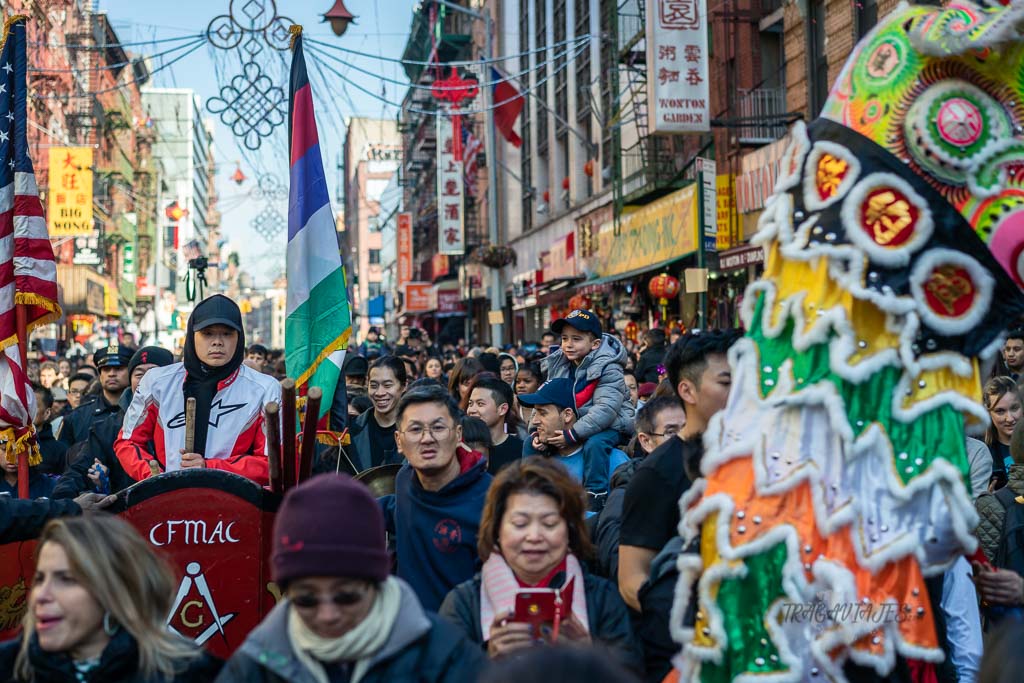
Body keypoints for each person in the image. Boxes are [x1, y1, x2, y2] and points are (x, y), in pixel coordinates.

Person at [216, 475, 485, 683]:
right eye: (307, 599)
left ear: (376, 584)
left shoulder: (444, 655)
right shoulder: (255, 666)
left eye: (346, 596)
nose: (328, 615)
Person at [439, 457, 641, 670]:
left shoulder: (603, 599)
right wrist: (487, 661)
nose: (534, 536)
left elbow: (632, 673)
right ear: (497, 529)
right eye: (520, 524)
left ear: (570, 530)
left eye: (549, 523)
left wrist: (589, 656)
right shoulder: (463, 604)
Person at [0, 515, 219, 682]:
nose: (41, 596)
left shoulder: (186, 672)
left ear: (116, 589)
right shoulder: (9, 667)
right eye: (39, 579)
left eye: (66, 579)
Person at [618, 329, 740, 611]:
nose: (743, 392)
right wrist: (688, 622)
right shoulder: (656, 473)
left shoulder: (761, 455)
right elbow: (631, 577)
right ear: (687, 390)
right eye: (728, 382)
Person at [115, 295, 281, 484]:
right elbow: (127, 442)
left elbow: (274, 462)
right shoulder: (157, 382)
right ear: (192, 335)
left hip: (234, 502)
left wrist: (210, 468)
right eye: (207, 333)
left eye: (227, 333)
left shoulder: (265, 389)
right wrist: (154, 477)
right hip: (167, 500)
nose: (217, 342)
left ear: (240, 336)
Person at [380, 385, 492, 612]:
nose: (427, 438)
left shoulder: (491, 498)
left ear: (458, 434)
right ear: (399, 441)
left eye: (438, 427)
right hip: (408, 632)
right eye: (415, 429)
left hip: (462, 639)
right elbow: (393, 510)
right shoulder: (404, 480)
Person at [535, 310, 634, 500]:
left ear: (595, 344)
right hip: (579, 423)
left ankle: (596, 492)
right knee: (531, 445)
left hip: (614, 424)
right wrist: (535, 430)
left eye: (576, 339)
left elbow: (606, 410)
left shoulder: (609, 367)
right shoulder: (561, 363)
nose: (568, 344)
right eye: (564, 338)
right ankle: (528, 487)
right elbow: (546, 397)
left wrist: (572, 434)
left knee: (594, 444)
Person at [53, 347, 175, 500]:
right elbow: (77, 470)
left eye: (154, 373)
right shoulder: (108, 427)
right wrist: (61, 503)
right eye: (139, 374)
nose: (146, 380)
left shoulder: (185, 419)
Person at [594, 396, 686, 579]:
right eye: (671, 433)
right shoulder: (627, 491)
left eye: (687, 430)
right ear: (646, 441)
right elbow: (619, 563)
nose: (684, 440)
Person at [518, 378, 630, 509]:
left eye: (543, 413)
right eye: (535, 413)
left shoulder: (613, 461)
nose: (535, 421)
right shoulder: (536, 457)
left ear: (567, 415)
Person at [59, 344, 135, 448]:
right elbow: (65, 458)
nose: (111, 374)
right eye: (106, 369)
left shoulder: (141, 413)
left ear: (130, 372)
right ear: (100, 375)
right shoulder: (78, 417)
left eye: (118, 368)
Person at [347, 356, 407, 474]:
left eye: (387, 385)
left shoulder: (415, 430)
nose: (380, 393)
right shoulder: (352, 429)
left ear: (403, 386)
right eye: (374, 386)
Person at [466, 375, 524, 475]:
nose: (471, 410)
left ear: (502, 409)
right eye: (470, 403)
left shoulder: (521, 450)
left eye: (480, 404)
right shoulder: (461, 446)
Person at [984, 376, 1021, 483]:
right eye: (1000, 411)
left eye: (1014, 408)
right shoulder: (982, 453)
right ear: (989, 413)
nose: (1009, 419)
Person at [32, 385, 69, 476]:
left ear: (47, 413)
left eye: (33, 405)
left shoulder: (60, 451)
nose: (26, 410)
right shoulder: (6, 445)